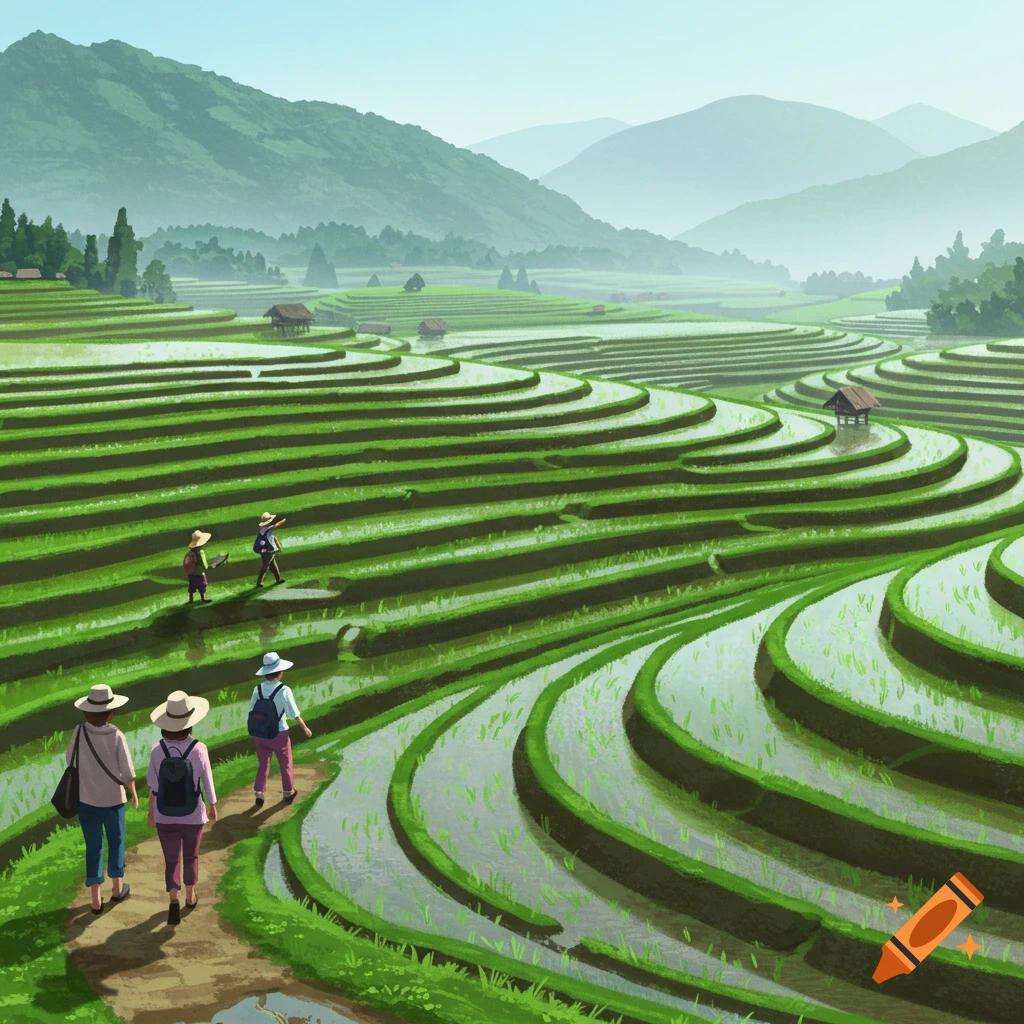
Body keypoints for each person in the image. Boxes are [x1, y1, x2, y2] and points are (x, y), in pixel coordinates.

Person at [65, 684, 139, 914]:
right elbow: (126, 771)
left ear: (87, 712)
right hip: (114, 801)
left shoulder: (78, 732)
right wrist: (134, 793)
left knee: (94, 847)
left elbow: (70, 761)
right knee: (116, 842)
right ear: (110, 713)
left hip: (87, 800)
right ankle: (117, 889)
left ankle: (96, 900)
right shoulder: (116, 735)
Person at [146, 690, 218, 926]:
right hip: (193, 813)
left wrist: (151, 813)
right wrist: (213, 806)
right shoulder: (199, 749)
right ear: (190, 723)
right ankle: (190, 895)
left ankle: (173, 900)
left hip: (164, 814)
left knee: (171, 858)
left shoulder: (157, 749)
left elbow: (153, 785)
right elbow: (207, 780)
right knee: (191, 855)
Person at [249, 652, 311, 807]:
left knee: (263, 764)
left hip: (260, 733)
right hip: (279, 733)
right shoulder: (284, 690)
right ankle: (288, 792)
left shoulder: (258, 689)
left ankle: (259, 792)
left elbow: (252, 711)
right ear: (280, 672)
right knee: (285, 763)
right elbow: (293, 713)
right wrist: (305, 727)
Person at [254, 512, 287, 588]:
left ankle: (278, 580)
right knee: (265, 567)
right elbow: (277, 525)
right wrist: (284, 520)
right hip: (268, 552)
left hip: (267, 551)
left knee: (274, 566)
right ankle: (259, 583)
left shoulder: (262, 529)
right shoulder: (268, 529)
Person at [184, 529, 212, 603]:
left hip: (191, 572)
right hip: (199, 572)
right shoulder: (200, 552)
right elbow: (202, 562)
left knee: (192, 585)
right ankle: (203, 598)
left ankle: (191, 599)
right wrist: (207, 567)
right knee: (203, 584)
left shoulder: (191, 552)